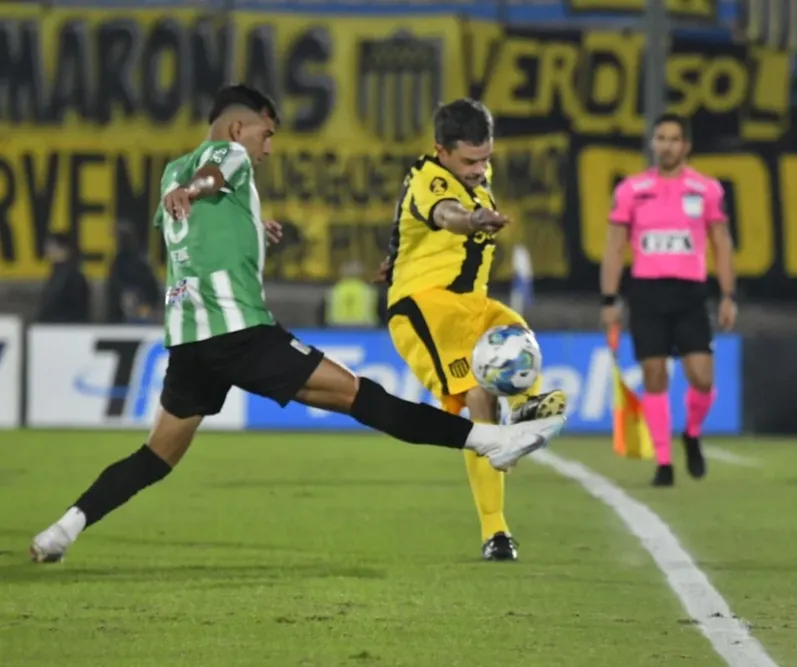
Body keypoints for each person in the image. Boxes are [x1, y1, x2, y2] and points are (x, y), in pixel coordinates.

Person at [29, 85, 565, 564]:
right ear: (240, 126)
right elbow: (216, 173)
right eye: (267, 134)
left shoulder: (171, 171)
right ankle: (488, 439)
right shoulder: (224, 155)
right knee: (365, 398)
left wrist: (251, 224)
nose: (268, 148)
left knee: (154, 457)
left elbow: (196, 227)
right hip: (239, 333)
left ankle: (62, 529)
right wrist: (200, 187)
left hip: (189, 342)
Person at [374, 98, 566, 561]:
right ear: (441, 151)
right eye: (470, 161)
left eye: (486, 158)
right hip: (427, 310)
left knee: (518, 335)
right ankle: (496, 530)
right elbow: (444, 213)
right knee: (479, 402)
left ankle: (522, 413)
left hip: (470, 305)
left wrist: (396, 253)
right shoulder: (432, 179)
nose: (480, 170)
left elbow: (410, 226)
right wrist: (473, 220)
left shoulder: (476, 175)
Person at [599, 113, 737, 488]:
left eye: (674, 139)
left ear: (686, 145)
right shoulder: (632, 189)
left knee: (702, 377)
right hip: (646, 291)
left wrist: (727, 296)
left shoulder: (706, 190)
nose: (667, 145)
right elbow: (614, 247)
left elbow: (722, 244)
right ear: (653, 143)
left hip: (691, 292)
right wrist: (609, 298)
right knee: (654, 375)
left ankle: (692, 433)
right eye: (661, 138)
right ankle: (664, 462)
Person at [36, 232, 91, 324]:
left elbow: (74, 308)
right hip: (55, 328)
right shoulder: (57, 273)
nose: (47, 251)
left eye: (51, 247)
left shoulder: (71, 276)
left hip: (64, 328)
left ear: (64, 249)